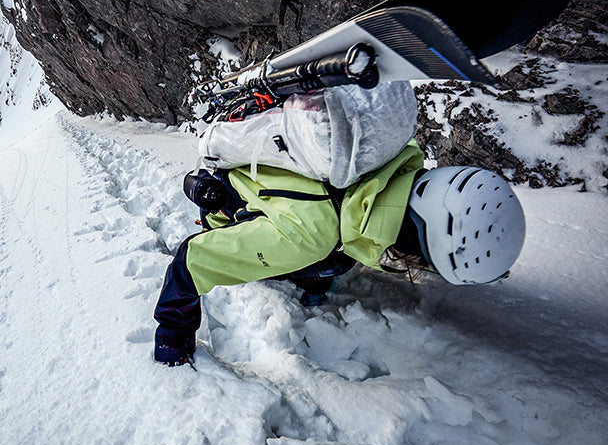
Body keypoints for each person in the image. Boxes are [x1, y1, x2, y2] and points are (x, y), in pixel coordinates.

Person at [153, 138, 526, 367]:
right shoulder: (311, 237)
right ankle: (304, 272)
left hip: (270, 189)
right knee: (330, 259)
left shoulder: (388, 154)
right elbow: (194, 259)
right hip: (229, 208)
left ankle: (309, 269)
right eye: (426, 263)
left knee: (335, 254)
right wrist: (173, 334)